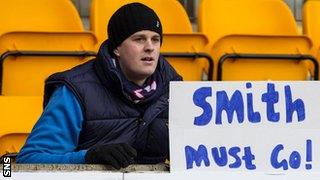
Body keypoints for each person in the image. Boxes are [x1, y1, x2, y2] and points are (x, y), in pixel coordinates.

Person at [16, 2, 182, 169]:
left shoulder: (175, 89)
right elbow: (29, 160)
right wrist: (88, 157)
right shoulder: (76, 89)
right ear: (117, 48)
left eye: (156, 40)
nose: (150, 47)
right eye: (139, 39)